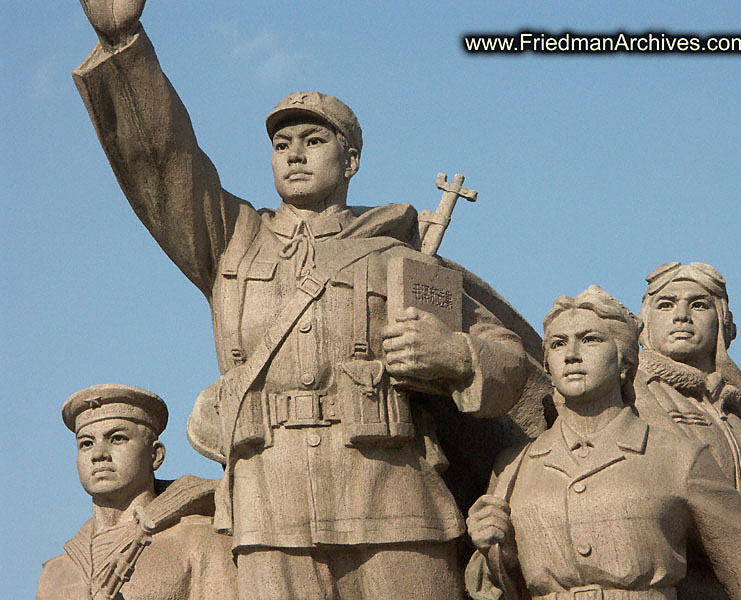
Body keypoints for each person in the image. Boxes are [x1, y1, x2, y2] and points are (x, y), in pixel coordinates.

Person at [72, 2, 534, 598]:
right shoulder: (232, 242)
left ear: (351, 160)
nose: (293, 153)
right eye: (281, 143)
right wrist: (123, 43)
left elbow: (509, 359)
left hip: (395, 507)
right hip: (270, 516)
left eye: (313, 140)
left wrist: (456, 355)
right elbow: (163, 164)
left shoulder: (403, 260)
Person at [465, 286, 741, 600]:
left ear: (625, 360)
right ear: (549, 367)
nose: (571, 355)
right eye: (557, 344)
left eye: (590, 340)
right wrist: (500, 553)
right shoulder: (515, 466)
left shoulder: (678, 456)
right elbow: (497, 588)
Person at [634, 261, 741, 598]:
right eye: (666, 304)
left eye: (698, 304)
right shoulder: (637, 395)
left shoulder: (731, 409)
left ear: (723, 323)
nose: (682, 315)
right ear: (644, 324)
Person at [36, 384, 237, 600]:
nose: (98, 454)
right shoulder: (55, 575)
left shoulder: (200, 542)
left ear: (155, 455)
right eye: (86, 443)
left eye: (117, 438)